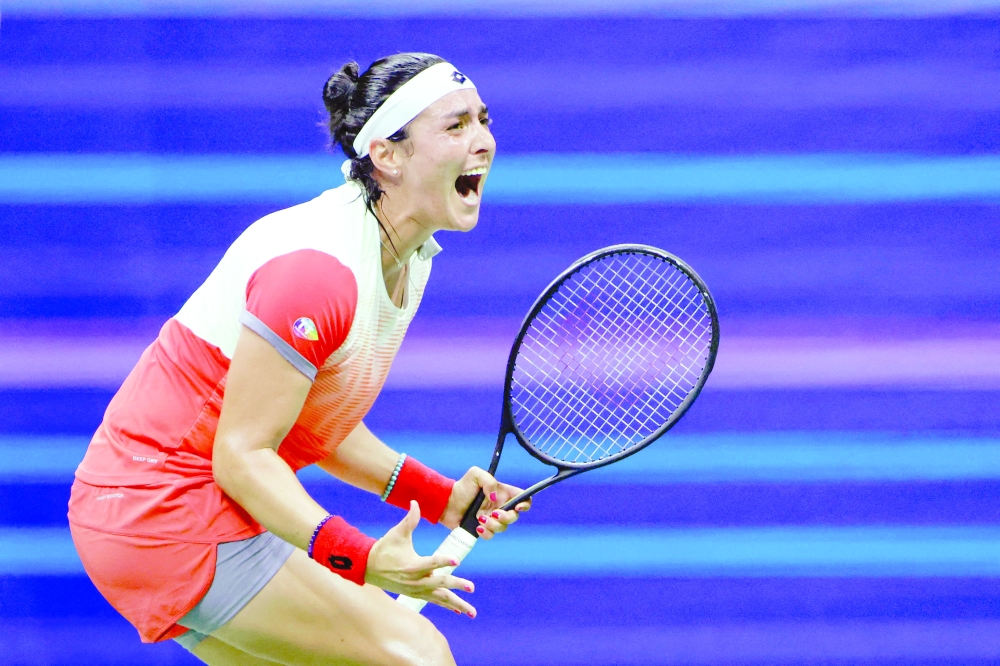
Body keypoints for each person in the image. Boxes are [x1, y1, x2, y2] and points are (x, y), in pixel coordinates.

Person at [67, 53, 528, 666]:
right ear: (386, 156)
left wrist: (440, 497)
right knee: (417, 656)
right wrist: (359, 558)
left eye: (483, 121)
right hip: (166, 509)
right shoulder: (320, 273)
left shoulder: (407, 259)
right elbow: (243, 455)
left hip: (165, 510)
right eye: (455, 126)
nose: (484, 142)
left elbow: (313, 421)